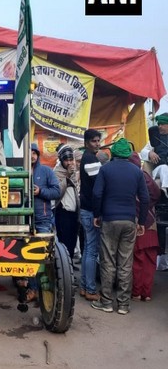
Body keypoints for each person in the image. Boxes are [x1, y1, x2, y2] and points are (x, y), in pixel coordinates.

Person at [91, 138, 149, 315]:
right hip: (129, 221)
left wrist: (96, 215)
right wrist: (142, 221)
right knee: (125, 263)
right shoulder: (137, 171)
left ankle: (107, 302)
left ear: (114, 153)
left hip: (109, 219)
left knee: (108, 261)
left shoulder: (106, 169)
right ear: (128, 155)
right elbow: (145, 198)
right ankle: (123, 305)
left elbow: (97, 193)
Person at [23, 143, 61, 302]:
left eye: (34, 153)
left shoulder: (46, 171)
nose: (32, 155)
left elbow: (57, 191)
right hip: (24, 219)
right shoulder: (21, 171)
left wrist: (40, 192)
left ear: (38, 155)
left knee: (44, 255)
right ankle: (32, 289)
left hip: (42, 219)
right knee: (27, 254)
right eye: (29, 152)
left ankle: (49, 289)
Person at [128, 152, 161, 302]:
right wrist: (149, 206)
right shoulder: (145, 176)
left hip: (136, 223)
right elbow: (156, 192)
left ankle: (136, 293)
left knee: (137, 261)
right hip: (151, 223)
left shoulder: (127, 177)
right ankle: (146, 294)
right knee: (150, 261)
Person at [79, 128, 102, 301]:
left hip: (86, 209)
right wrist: (98, 212)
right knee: (92, 251)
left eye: (98, 141)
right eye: (94, 141)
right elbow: (98, 187)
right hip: (90, 211)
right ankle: (91, 289)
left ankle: (84, 287)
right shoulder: (90, 159)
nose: (97, 144)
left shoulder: (88, 157)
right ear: (87, 142)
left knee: (88, 249)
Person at [53, 144, 80, 260]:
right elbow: (57, 192)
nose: (69, 163)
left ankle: (70, 266)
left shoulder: (74, 172)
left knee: (73, 241)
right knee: (64, 242)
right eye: (66, 160)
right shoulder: (56, 172)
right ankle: (65, 268)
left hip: (74, 212)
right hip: (62, 211)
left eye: (71, 160)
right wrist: (67, 177)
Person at [144, 112, 168, 197]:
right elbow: (143, 152)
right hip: (159, 169)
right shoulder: (155, 138)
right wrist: (149, 153)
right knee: (164, 168)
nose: (159, 126)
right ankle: (164, 190)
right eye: (159, 124)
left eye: (162, 124)